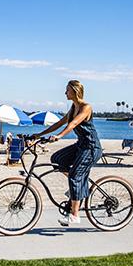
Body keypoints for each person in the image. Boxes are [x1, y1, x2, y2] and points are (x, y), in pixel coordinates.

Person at [33, 80, 102, 226]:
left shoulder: (86, 107)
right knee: (57, 159)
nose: (65, 93)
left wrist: (60, 136)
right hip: (81, 145)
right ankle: (78, 188)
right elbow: (59, 123)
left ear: (75, 91)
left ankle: (74, 215)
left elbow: (74, 124)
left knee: (75, 176)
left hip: (91, 148)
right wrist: (38, 135)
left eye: (67, 90)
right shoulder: (73, 107)